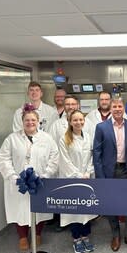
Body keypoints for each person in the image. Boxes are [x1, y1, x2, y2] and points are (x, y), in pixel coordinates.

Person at [0, 104, 59, 250]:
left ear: (38, 121)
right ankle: (23, 237)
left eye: (33, 120)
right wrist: (13, 177)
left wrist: (46, 175)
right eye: (27, 120)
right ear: (22, 121)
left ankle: (37, 234)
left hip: (40, 180)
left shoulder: (47, 138)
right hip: (19, 182)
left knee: (40, 209)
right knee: (20, 209)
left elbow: (54, 157)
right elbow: (3, 159)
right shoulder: (11, 139)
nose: (30, 122)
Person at [93, 97, 127, 252]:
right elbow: (96, 153)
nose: (117, 109)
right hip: (109, 171)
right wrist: (100, 177)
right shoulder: (101, 127)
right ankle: (116, 234)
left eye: (120, 106)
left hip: (126, 170)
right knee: (111, 204)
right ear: (110, 109)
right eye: (114, 106)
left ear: (124, 108)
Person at [58, 110, 97, 253]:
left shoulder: (88, 137)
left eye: (81, 120)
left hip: (87, 179)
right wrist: (78, 175)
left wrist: (88, 172)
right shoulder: (64, 139)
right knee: (75, 209)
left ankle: (86, 237)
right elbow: (65, 161)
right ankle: (76, 239)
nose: (78, 122)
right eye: (75, 120)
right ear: (69, 121)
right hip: (72, 180)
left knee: (86, 209)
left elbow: (92, 157)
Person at [48, 94, 80, 232]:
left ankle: (80, 225)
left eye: (73, 104)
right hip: (63, 167)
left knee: (80, 198)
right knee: (65, 198)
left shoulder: (86, 123)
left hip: (81, 166)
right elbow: (51, 145)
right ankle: (63, 222)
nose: (70, 107)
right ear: (63, 106)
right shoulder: (56, 125)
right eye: (67, 104)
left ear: (77, 105)